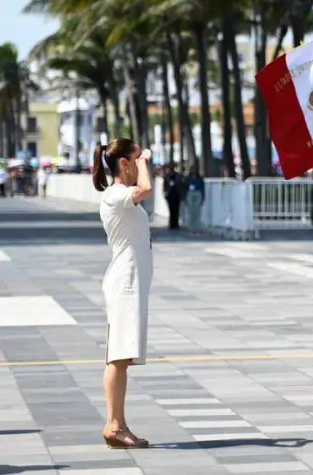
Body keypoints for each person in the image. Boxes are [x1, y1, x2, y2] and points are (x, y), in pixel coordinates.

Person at [92, 138, 154, 449]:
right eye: (136, 158)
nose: (143, 163)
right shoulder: (116, 195)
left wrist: (141, 162)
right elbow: (146, 189)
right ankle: (114, 425)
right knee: (118, 356)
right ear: (124, 163)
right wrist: (144, 164)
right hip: (125, 282)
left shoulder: (121, 196)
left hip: (132, 281)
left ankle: (119, 424)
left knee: (123, 356)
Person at [185, 166, 205, 232]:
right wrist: (185, 198)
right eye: (192, 169)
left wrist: (203, 198)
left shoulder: (200, 178)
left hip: (198, 193)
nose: (193, 171)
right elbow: (185, 187)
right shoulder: (188, 178)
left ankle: (197, 227)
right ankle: (191, 227)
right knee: (191, 211)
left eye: (195, 169)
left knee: (197, 211)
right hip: (190, 193)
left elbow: (202, 188)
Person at [163, 164, 183, 230]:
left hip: (176, 195)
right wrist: (165, 193)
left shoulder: (178, 176)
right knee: (171, 210)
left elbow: (180, 185)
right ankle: (171, 224)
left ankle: (176, 223)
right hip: (170, 195)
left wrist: (181, 194)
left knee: (176, 210)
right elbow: (165, 186)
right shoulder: (167, 176)